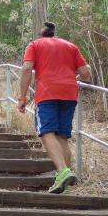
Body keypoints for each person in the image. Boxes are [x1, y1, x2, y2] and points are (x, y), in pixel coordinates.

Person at [18, 22, 91, 194]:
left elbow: (27, 68)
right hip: (69, 93)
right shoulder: (70, 46)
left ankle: (63, 171)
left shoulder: (34, 45)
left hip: (47, 92)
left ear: (41, 35)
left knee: (46, 132)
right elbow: (85, 73)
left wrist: (22, 97)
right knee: (62, 136)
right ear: (54, 34)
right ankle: (66, 181)